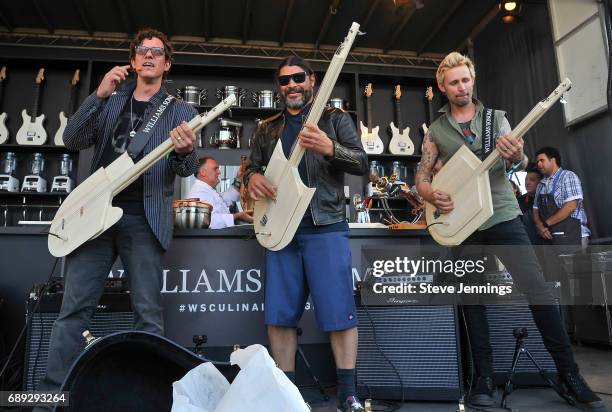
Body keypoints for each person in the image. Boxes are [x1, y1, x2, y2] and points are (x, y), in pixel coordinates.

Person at [415, 52, 605, 411]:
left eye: (466, 80)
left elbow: (517, 161)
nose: (462, 87)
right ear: (442, 86)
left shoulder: (496, 119)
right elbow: (422, 177)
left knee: (538, 290)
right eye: (454, 82)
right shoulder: (436, 130)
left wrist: (517, 154)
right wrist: (428, 192)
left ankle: (570, 373)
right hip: (463, 223)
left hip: (502, 214)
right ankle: (483, 378)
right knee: (473, 298)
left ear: (473, 80)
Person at [35, 28, 199, 404]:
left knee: (147, 315)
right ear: (132, 61)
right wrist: (98, 94)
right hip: (94, 218)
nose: (148, 56)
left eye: (156, 52)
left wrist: (185, 151)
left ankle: (148, 396)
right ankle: (52, 398)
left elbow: (187, 168)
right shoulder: (110, 101)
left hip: (144, 216)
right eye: (141, 50)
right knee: (73, 310)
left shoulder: (180, 110)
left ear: (166, 63)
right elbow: (72, 140)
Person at [243, 56, 368, 412]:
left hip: (325, 225)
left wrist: (329, 147)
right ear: (279, 87)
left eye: (298, 78)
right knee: (279, 316)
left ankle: (347, 393)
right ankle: (286, 394)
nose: (292, 85)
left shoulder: (335, 119)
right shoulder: (266, 128)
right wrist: (251, 178)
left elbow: (361, 162)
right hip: (281, 230)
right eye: (284, 81)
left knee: (340, 312)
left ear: (312, 80)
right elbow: (251, 167)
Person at [533, 146, 590, 251]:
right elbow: (535, 209)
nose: (539, 164)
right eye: (537, 162)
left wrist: (546, 224)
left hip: (572, 236)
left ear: (553, 160)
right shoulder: (540, 185)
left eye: (542, 160)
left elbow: (571, 206)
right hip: (549, 238)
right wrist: (539, 226)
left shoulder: (568, 176)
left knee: (575, 267)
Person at [187, 156, 253, 228]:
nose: (219, 172)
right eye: (215, 169)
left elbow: (225, 200)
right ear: (203, 172)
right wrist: (237, 216)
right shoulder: (198, 192)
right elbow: (208, 221)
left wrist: (239, 178)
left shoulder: (207, 190)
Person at [518, 164, 543, 244]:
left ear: (541, 182)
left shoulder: (546, 199)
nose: (527, 183)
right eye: (526, 180)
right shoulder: (520, 200)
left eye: (532, 180)